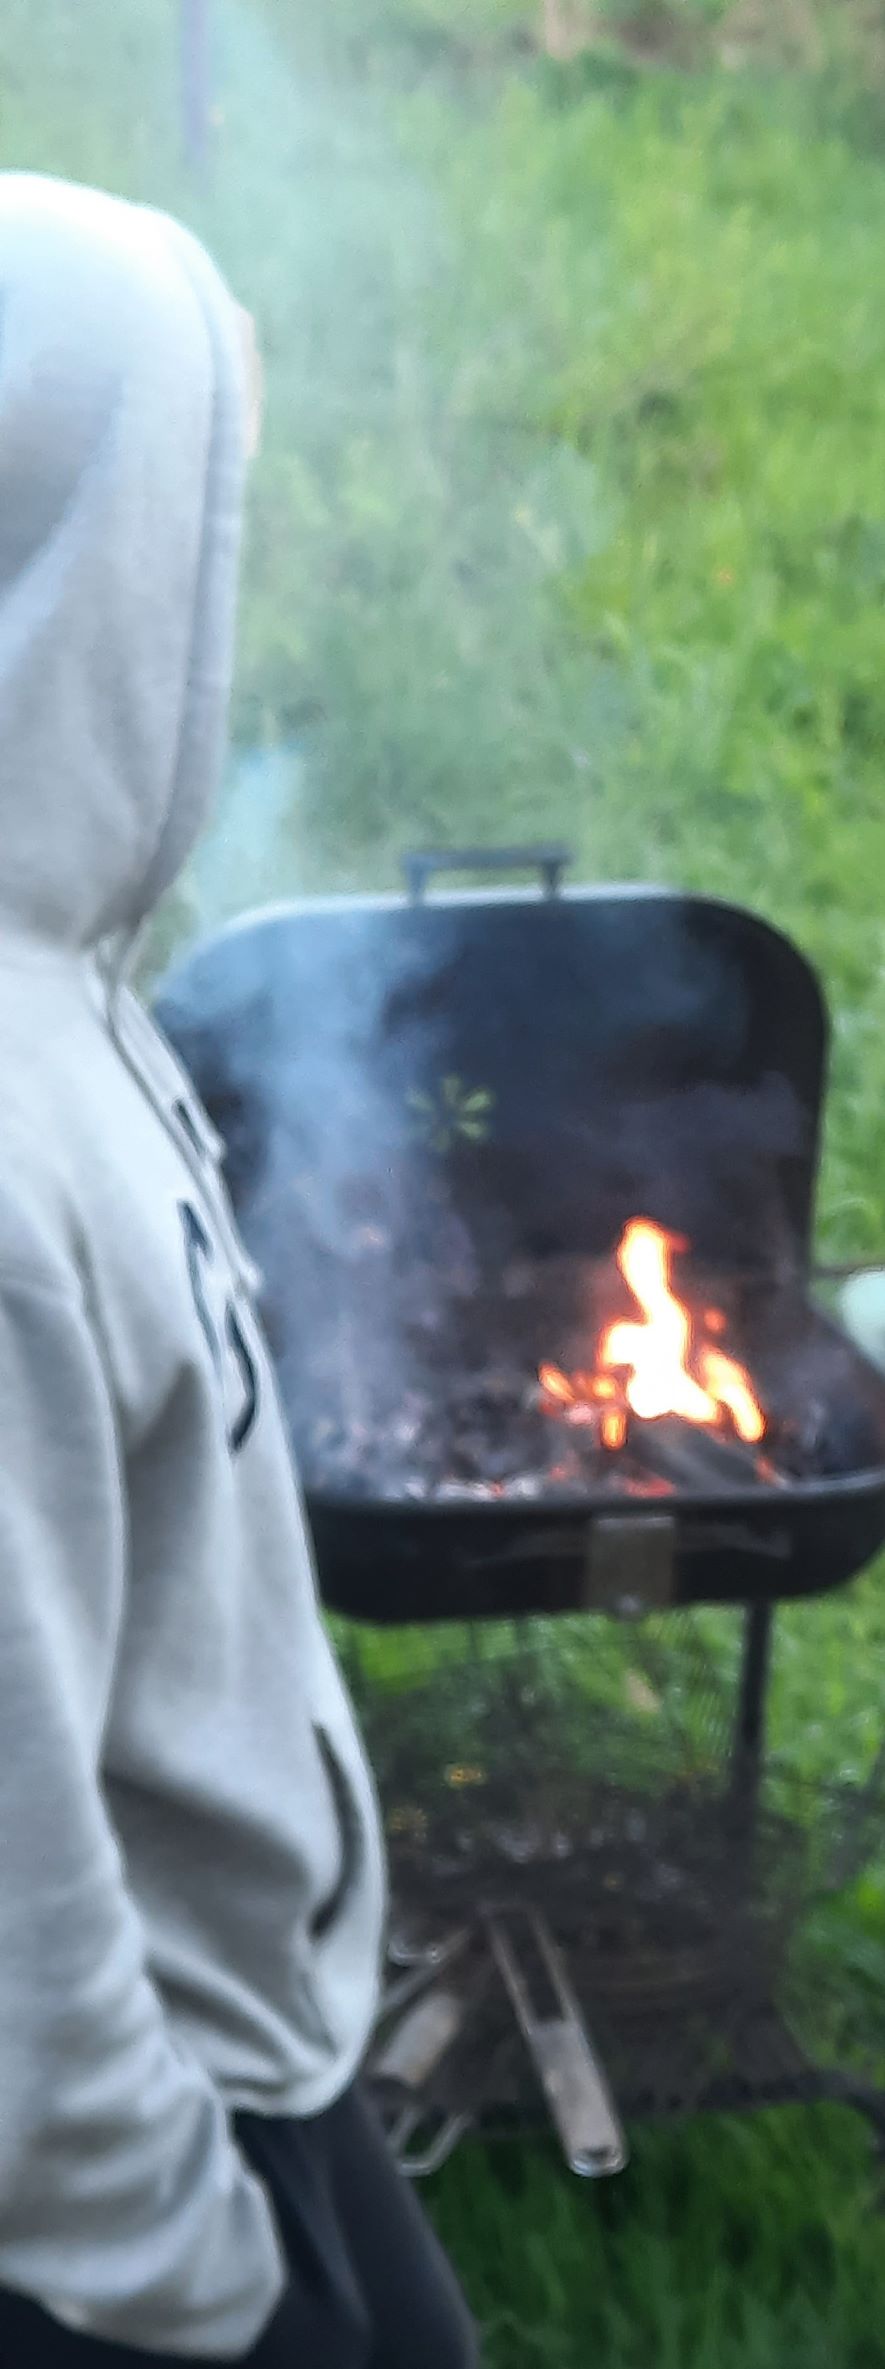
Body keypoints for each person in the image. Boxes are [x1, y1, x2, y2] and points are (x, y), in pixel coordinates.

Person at [0, 173, 476, 2369]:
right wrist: (181, 2267)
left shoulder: (65, 984)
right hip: (128, 2190)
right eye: (198, 517)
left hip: (248, 2052)